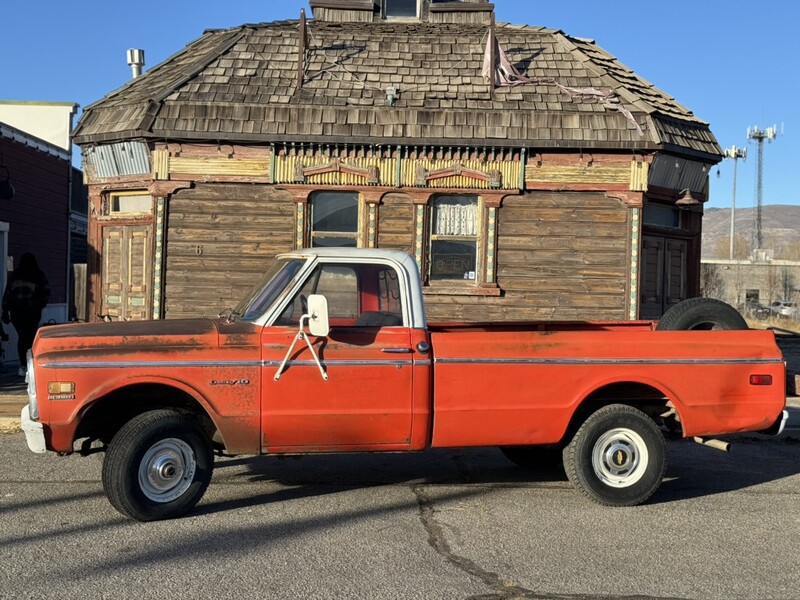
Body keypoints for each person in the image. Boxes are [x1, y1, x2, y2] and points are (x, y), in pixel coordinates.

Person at [2, 253, 50, 377]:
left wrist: (5, 311)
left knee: (22, 337)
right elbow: (46, 292)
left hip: (16, 311)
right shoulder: (38, 275)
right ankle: (29, 364)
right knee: (29, 337)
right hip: (32, 310)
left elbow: (7, 293)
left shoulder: (16, 275)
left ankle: (23, 365)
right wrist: (39, 305)